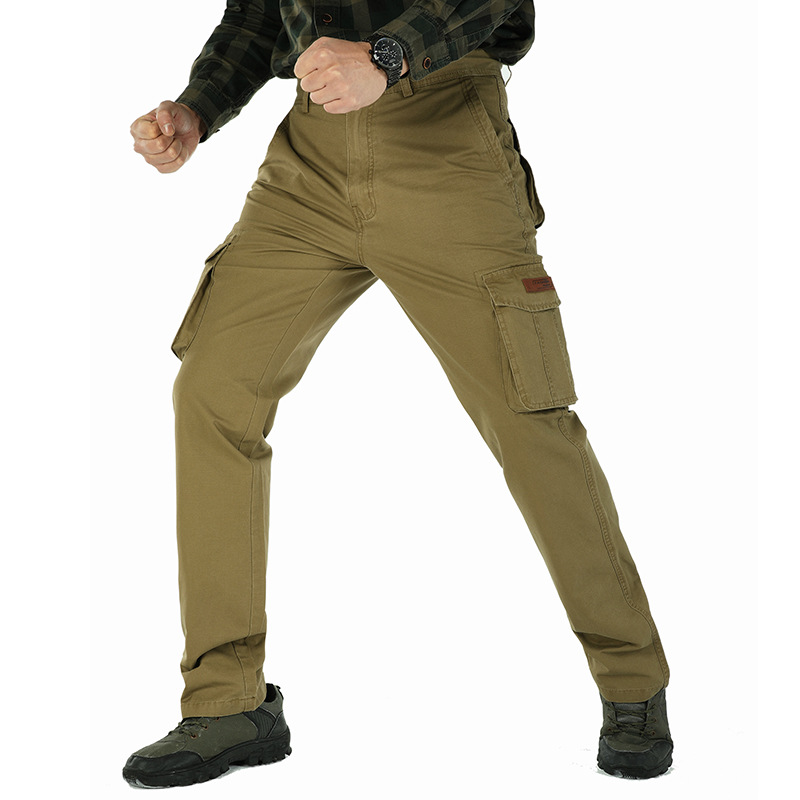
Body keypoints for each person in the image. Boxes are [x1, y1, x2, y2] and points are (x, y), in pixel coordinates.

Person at [123, 0, 673, 787]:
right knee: (212, 393)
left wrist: (386, 56)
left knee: (528, 418)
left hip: (445, 141)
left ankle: (632, 682)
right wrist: (197, 108)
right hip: (309, 163)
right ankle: (228, 701)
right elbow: (257, 15)